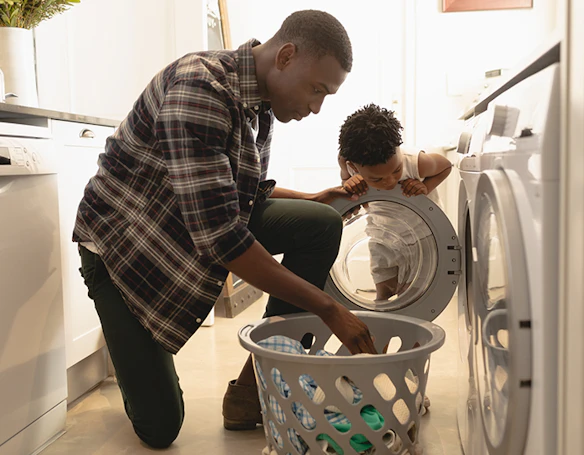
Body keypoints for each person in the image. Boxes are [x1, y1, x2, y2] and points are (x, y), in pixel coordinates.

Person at [73, 10, 376, 449]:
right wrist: (329, 309)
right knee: (160, 428)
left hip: (184, 227)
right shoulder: (200, 89)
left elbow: (241, 196)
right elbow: (221, 239)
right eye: (317, 90)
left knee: (320, 224)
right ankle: (123, 328)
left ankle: (257, 387)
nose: (316, 108)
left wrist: (313, 199)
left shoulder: (261, 103)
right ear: (286, 57)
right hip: (127, 253)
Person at [337, 104, 452, 300]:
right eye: (377, 179)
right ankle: (381, 312)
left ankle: (408, 314)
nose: (390, 181)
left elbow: (446, 166)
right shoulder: (349, 165)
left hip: (420, 237)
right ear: (353, 166)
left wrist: (425, 187)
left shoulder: (415, 162)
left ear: (399, 150)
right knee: (383, 287)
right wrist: (348, 181)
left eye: (396, 170)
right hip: (380, 234)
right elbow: (346, 181)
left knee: (411, 293)